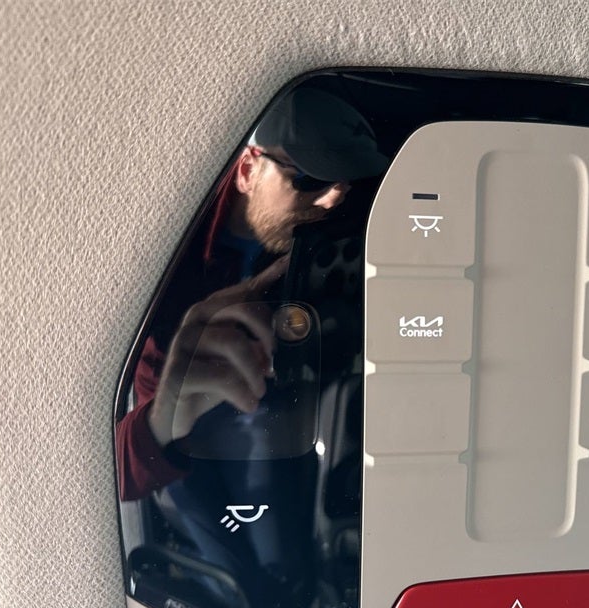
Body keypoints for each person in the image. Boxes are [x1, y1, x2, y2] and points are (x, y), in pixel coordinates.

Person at [116, 87, 387, 500]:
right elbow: (107, 470)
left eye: (348, 185)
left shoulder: (344, 230)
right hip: (208, 465)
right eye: (309, 179)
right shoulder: (166, 254)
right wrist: (161, 422)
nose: (333, 199)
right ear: (246, 170)